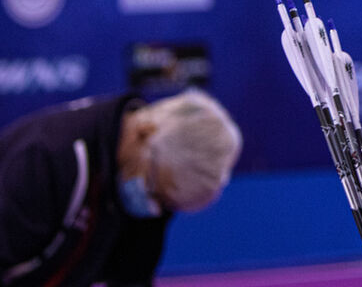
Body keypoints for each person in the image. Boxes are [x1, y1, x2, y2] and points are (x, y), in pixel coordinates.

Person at [0, 89, 242, 287]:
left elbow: (133, 277)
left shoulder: (149, 183)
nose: (153, 208)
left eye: (167, 204)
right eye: (154, 191)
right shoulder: (44, 159)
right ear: (144, 133)